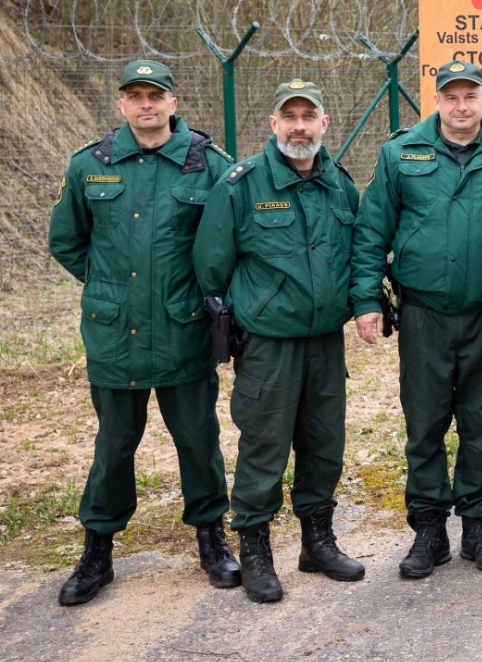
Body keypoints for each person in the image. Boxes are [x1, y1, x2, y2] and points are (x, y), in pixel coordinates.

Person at [47, 60, 237, 606]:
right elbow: (67, 240)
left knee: (199, 442)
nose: (146, 104)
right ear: (122, 104)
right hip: (115, 336)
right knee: (113, 445)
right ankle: (97, 552)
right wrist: (109, 287)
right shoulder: (91, 166)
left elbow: (224, 244)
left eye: (156, 95)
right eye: (135, 95)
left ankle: (212, 541)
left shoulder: (208, 166)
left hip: (183, 331)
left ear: (174, 103)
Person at [350, 60, 482, 579]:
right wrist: (367, 299)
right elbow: (372, 231)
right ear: (436, 101)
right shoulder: (399, 154)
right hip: (423, 314)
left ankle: (478, 525)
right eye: (451, 97)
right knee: (425, 423)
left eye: (470, 96)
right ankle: (429, 528)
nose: (462, 106)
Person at [192, 80, 365, 603]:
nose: (298, 126)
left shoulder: (340, 184)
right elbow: (211, 264)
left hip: (325, 342)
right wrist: (240, 319)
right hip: (268, 344)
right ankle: (256, 550)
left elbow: (356, 253)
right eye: (287, 116)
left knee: (323, 443)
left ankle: (317, 542)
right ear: (272, 124)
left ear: (323, 124)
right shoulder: (242, 184)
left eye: (308, 116)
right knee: (265, 446)